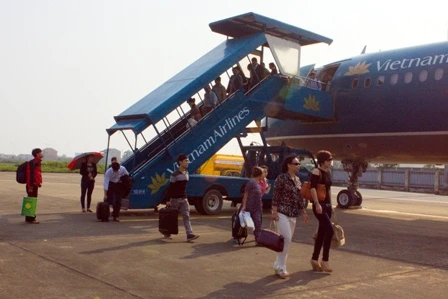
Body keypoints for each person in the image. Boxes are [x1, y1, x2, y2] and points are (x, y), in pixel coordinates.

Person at [271, 154, 309, 278]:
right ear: (289, 165)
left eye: (299, 164)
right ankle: (282, 268)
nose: (298, 166)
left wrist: (303, 211)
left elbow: (299, 198)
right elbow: (276, 196)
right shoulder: (281, 178)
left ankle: (278, 264)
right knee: (286, 239)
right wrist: (274, 212)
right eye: (296, 163)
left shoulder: (297, 180)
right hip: (282, 212)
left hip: (293, 214)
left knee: (287, 242)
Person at [165, 154, 199, 242]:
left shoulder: (187, 173)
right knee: (173, 217)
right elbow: (170, 187)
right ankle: (167, 232)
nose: (187, 163)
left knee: (186, 216)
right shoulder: (174, 174)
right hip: (174, 199)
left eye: (188, 161)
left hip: (184, 198)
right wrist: (168, 200)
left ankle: (189, 234)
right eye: (186, 161)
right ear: (180, 162)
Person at [310, 150, 334, 273]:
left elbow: (328, 190)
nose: (330, 162)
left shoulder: (328, 173)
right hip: (319, 206)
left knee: (322, 233)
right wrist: (316, 203)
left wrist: (332, 206)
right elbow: (312, 188)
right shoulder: (316, 172)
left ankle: (314, 259)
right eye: (328, 160)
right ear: (322, 161)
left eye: (331, 160)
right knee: (330, 231)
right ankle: (325, 260)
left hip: (327, 206)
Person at [241, 166, 263, 245]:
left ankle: (258, 240)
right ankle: (257, 239)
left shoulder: (257, 183)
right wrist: (244, 206)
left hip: (257, 206)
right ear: (260, 175)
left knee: (258, 223)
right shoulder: (251, 182)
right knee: (256, 222)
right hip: (251, 207)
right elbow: (245, 195)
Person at [25, 148, 44, 224]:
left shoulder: (37, 162)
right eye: (41, 152)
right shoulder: (33, 163)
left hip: (35, 185)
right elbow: (29, 175)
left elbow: (37, 174)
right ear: (37, 154)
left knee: (32, 201)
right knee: (31, 201)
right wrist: (30, 186)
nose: (42, 154)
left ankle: (29, 217)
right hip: (32, 185)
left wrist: (39, 183)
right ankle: (31, 219)